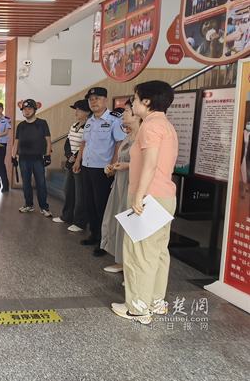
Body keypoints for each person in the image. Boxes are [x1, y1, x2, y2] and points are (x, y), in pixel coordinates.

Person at [112, 80, 178, 325]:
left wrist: (139, 196)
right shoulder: (165, 124)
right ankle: (155, 302)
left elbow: (150, 165)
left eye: (136, 99)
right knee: (158, 252)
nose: (133, 103)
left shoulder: (150, 126)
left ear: (147, 102)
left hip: (149, 196)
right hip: (164, 196)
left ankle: (137, 308)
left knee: (139, 254)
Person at [73, 87, 126, 257]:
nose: (93, 101)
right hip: (87, 167)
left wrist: (112, 165)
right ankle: (94, 234)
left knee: (102, 206)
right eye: (91, 99)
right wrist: (78, 161)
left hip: (103, 170)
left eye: (97, 98)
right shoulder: (90, 121)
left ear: (105, 100)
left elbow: (119, 143)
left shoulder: (114, 119)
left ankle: (105, 242)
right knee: (90, 204)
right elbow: (84, 142)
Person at [100, 99, 141, 274]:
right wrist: (112, 167)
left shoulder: (144, 136)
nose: (123, 114)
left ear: (137, 115)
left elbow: (149, 164)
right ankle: (121, 260)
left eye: (127, 110)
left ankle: (131, 265)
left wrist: (128, 166)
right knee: (117, 220)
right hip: (120, 182)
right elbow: (121, 160)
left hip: (133, 184)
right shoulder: (128, 136)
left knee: (130, 222)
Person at [53, 99, 91, 231]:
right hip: (71, 162)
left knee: (80, 194)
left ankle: (80, 222)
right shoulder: (74, 126)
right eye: (76, 109)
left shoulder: (89, 127)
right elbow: (67, 143)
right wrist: (69, 156)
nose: (76, 112)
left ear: (87, 112)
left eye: (79, 109)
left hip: (81, 164)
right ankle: (66, 216)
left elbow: (86, 145)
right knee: (68, 191)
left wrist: (76, 158)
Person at [11, 99, 52, 217]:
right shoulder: (21, 126)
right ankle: (28, 204)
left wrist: (47, 156)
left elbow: (48, 141)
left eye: (29, 109)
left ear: (34, 110)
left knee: (41, 183)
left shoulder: (42, 123)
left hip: (37, 158)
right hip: (23, 158)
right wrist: (13, 157)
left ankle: (44, 207)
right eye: (25, 109)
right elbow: (16, 143)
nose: (27, 111)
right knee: (26, 184)